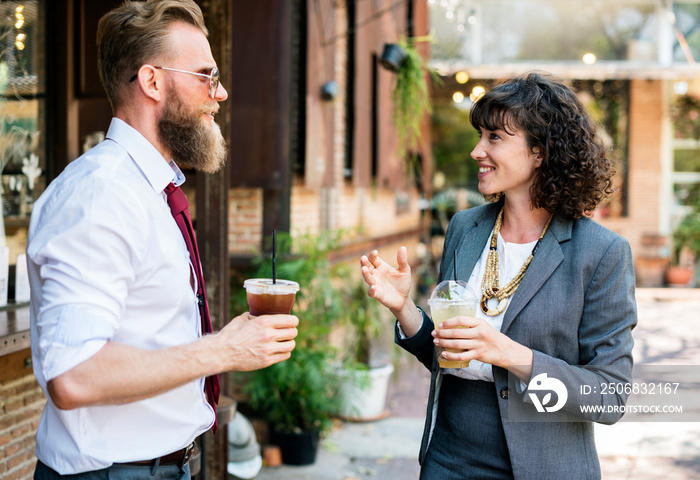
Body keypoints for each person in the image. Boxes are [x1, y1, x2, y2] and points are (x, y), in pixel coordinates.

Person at [27, 1, 299, 478]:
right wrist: (223, 349)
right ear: (153, 82)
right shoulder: (101, 195)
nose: (222, 93)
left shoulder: (149, 190)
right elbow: (73, 375)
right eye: (206, 76)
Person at [360, 72, 637, 479]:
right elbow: (445, 355)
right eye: (480, 135)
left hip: (545, 463)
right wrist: (404, 309)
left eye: (494, 137)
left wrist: (508, 353)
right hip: (449, 455)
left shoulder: (601, 253)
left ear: (540, 152)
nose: (477, 150)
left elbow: (608, 396)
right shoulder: (465, 228)